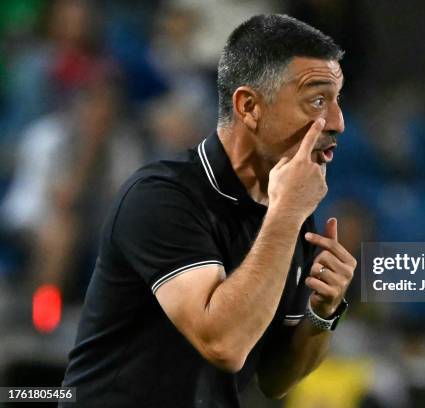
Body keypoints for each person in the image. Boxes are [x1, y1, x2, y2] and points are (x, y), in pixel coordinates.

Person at [60, 14, 356, 407]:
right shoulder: (161, 197)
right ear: (249, 106)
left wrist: (322, 313)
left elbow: (274, 378)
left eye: (336, 100)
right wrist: (284, 217)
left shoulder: (290, 212)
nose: (337, 121)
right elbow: (223, 343)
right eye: (317, 99)